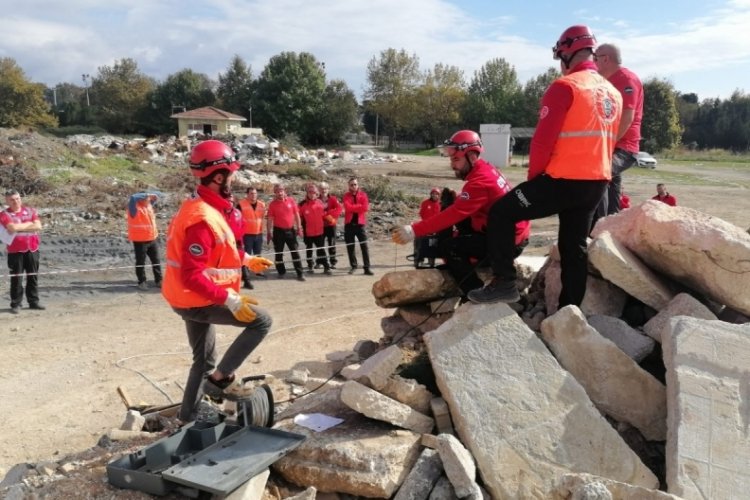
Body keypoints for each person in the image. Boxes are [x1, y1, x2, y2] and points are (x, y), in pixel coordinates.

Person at [468, 25, 622, 307]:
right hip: (597, 183)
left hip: (561, 181)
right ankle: (569, 309)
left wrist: (533, 180)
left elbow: (541, 142)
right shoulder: (613, 93)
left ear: (566, 52)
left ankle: (504, 283)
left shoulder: (565, 87)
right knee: (572, 246)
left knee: (502, 212)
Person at [161, 139, 274, 423]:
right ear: (219, 176)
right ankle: (221, 380)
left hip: (186, 296)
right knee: (262, 321)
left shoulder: (206, 208)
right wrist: (231, 300)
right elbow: (192, 274)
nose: (235, 179)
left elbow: (220, 251)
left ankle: (187, 417)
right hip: (196, 298)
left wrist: (247, 260)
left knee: (203, 361)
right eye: (232, 174)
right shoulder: (202, 219)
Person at [393, 131, 531, 296]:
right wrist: (457, 200)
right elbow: (470, 205)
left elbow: (453, 214)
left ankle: (475, 292)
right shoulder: (486, 169)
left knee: (450, 247)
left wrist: (414, 230)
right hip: (507, 232)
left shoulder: (480, 182)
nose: (452, 165)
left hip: (507, 243)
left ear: (472, 156)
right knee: (454, 219)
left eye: (456, 159)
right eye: (451, 159)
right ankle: (458, 266)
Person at [591, 42, 644, 226]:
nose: (592, 62)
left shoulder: (626, 80)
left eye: (594, 58)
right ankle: (611, 228)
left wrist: (606, 145)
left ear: (605, 59)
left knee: (598, 175)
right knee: (611, 187)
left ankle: (598, 228)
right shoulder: (606, 82)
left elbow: (627, 118)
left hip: (623, 147)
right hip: (612, 147)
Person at [1, 189, 45, 314]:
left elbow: (38, 226)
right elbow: (12, 228)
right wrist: (29, 224)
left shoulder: (30, 211)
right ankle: (16, 303)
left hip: (32, 248)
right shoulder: (4, 214)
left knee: (33, 276)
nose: (16, 202)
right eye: (12, 200)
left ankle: (33, 301)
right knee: (17, 278)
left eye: (18, 198)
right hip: (15, 251)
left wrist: (20, 227)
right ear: (7, 201)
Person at [266, 183, 306, 281]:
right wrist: (268, 232)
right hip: (278, 231)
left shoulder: (291, 201)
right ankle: (281, 272)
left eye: (281, 190)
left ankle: (300, 273)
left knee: (295, 252)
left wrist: (299, 228)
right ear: (275, 193)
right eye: (277, 191)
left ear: (284, 191)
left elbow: (296, 215)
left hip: (290, 231)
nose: (279, 193)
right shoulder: (272, 204)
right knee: (278, 253)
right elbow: (270, 219)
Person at [126, 192, 162, 290]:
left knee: (156, 260)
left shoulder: (149, 205)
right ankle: (142, 282)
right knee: (141, 262)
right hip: (140, 241)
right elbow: (133, 196)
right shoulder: (134, 208)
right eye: (147, 198)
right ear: (141, 199)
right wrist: (147, 194)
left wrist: (152, 196)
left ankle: (159, 280)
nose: (149, 200)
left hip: (152, 238)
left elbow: (155, 197)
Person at [343, 177, 373, 275]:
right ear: (349, 186)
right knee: (350, 247)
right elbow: (347, 207)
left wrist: (354, 208)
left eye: (355, 184)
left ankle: (367, 267)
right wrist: (358, 207)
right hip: (349, 225)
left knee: (364, 247)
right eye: (351, 185)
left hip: (360, 225)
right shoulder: (346, 196)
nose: (353, 186)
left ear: (358, 185)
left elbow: (365, 208)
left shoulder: (363, 195)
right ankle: (353, 266)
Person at [299, 183, 332, 275]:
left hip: (319, 232)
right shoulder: (302, 205)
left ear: (317, 193)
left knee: (321, 250)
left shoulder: (320, 202)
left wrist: (332, 220)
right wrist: (300, 230)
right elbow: (299, 218)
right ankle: (310, 266)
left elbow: (324, 214)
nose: (312, 194)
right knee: (309, 250)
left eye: (313, 192)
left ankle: (326, 266)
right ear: (307, 193)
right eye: (310, 192)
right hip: (308, 232)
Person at [237, 186, 266, 288]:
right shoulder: (241, 204)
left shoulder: (262, 204)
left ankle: (258, 271)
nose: (253, 195)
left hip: (258, 233)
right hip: (247, 234)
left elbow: (262, 218)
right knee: (246, 255)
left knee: (258, 254)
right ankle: (246, 274)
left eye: (255, 193)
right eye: (251, 193)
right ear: (247, 194)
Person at [414, 187, 442, 269]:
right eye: (433, 194)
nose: (435, 195)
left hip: (436, 227)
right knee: (420, 242)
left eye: (437, 194)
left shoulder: (440, 204)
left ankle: (431, 261)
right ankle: (419, 259)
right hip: (426, 226)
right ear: (431, 194)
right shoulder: (425, 203)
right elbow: (422, 213)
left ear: (439, 195)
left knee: (432, 244)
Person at [319, 182, 341, 269]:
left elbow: (339, 209)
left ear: (328, 189)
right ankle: (320, 261)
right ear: (319, 190)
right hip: (321, 225)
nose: (323, 190)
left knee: (332, 243)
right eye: (321, 188)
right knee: (320, 244)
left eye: (325, 188)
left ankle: (333, 261)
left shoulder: (333, 199)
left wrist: (329, 215)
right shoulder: (316, 199)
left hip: (331, 224)